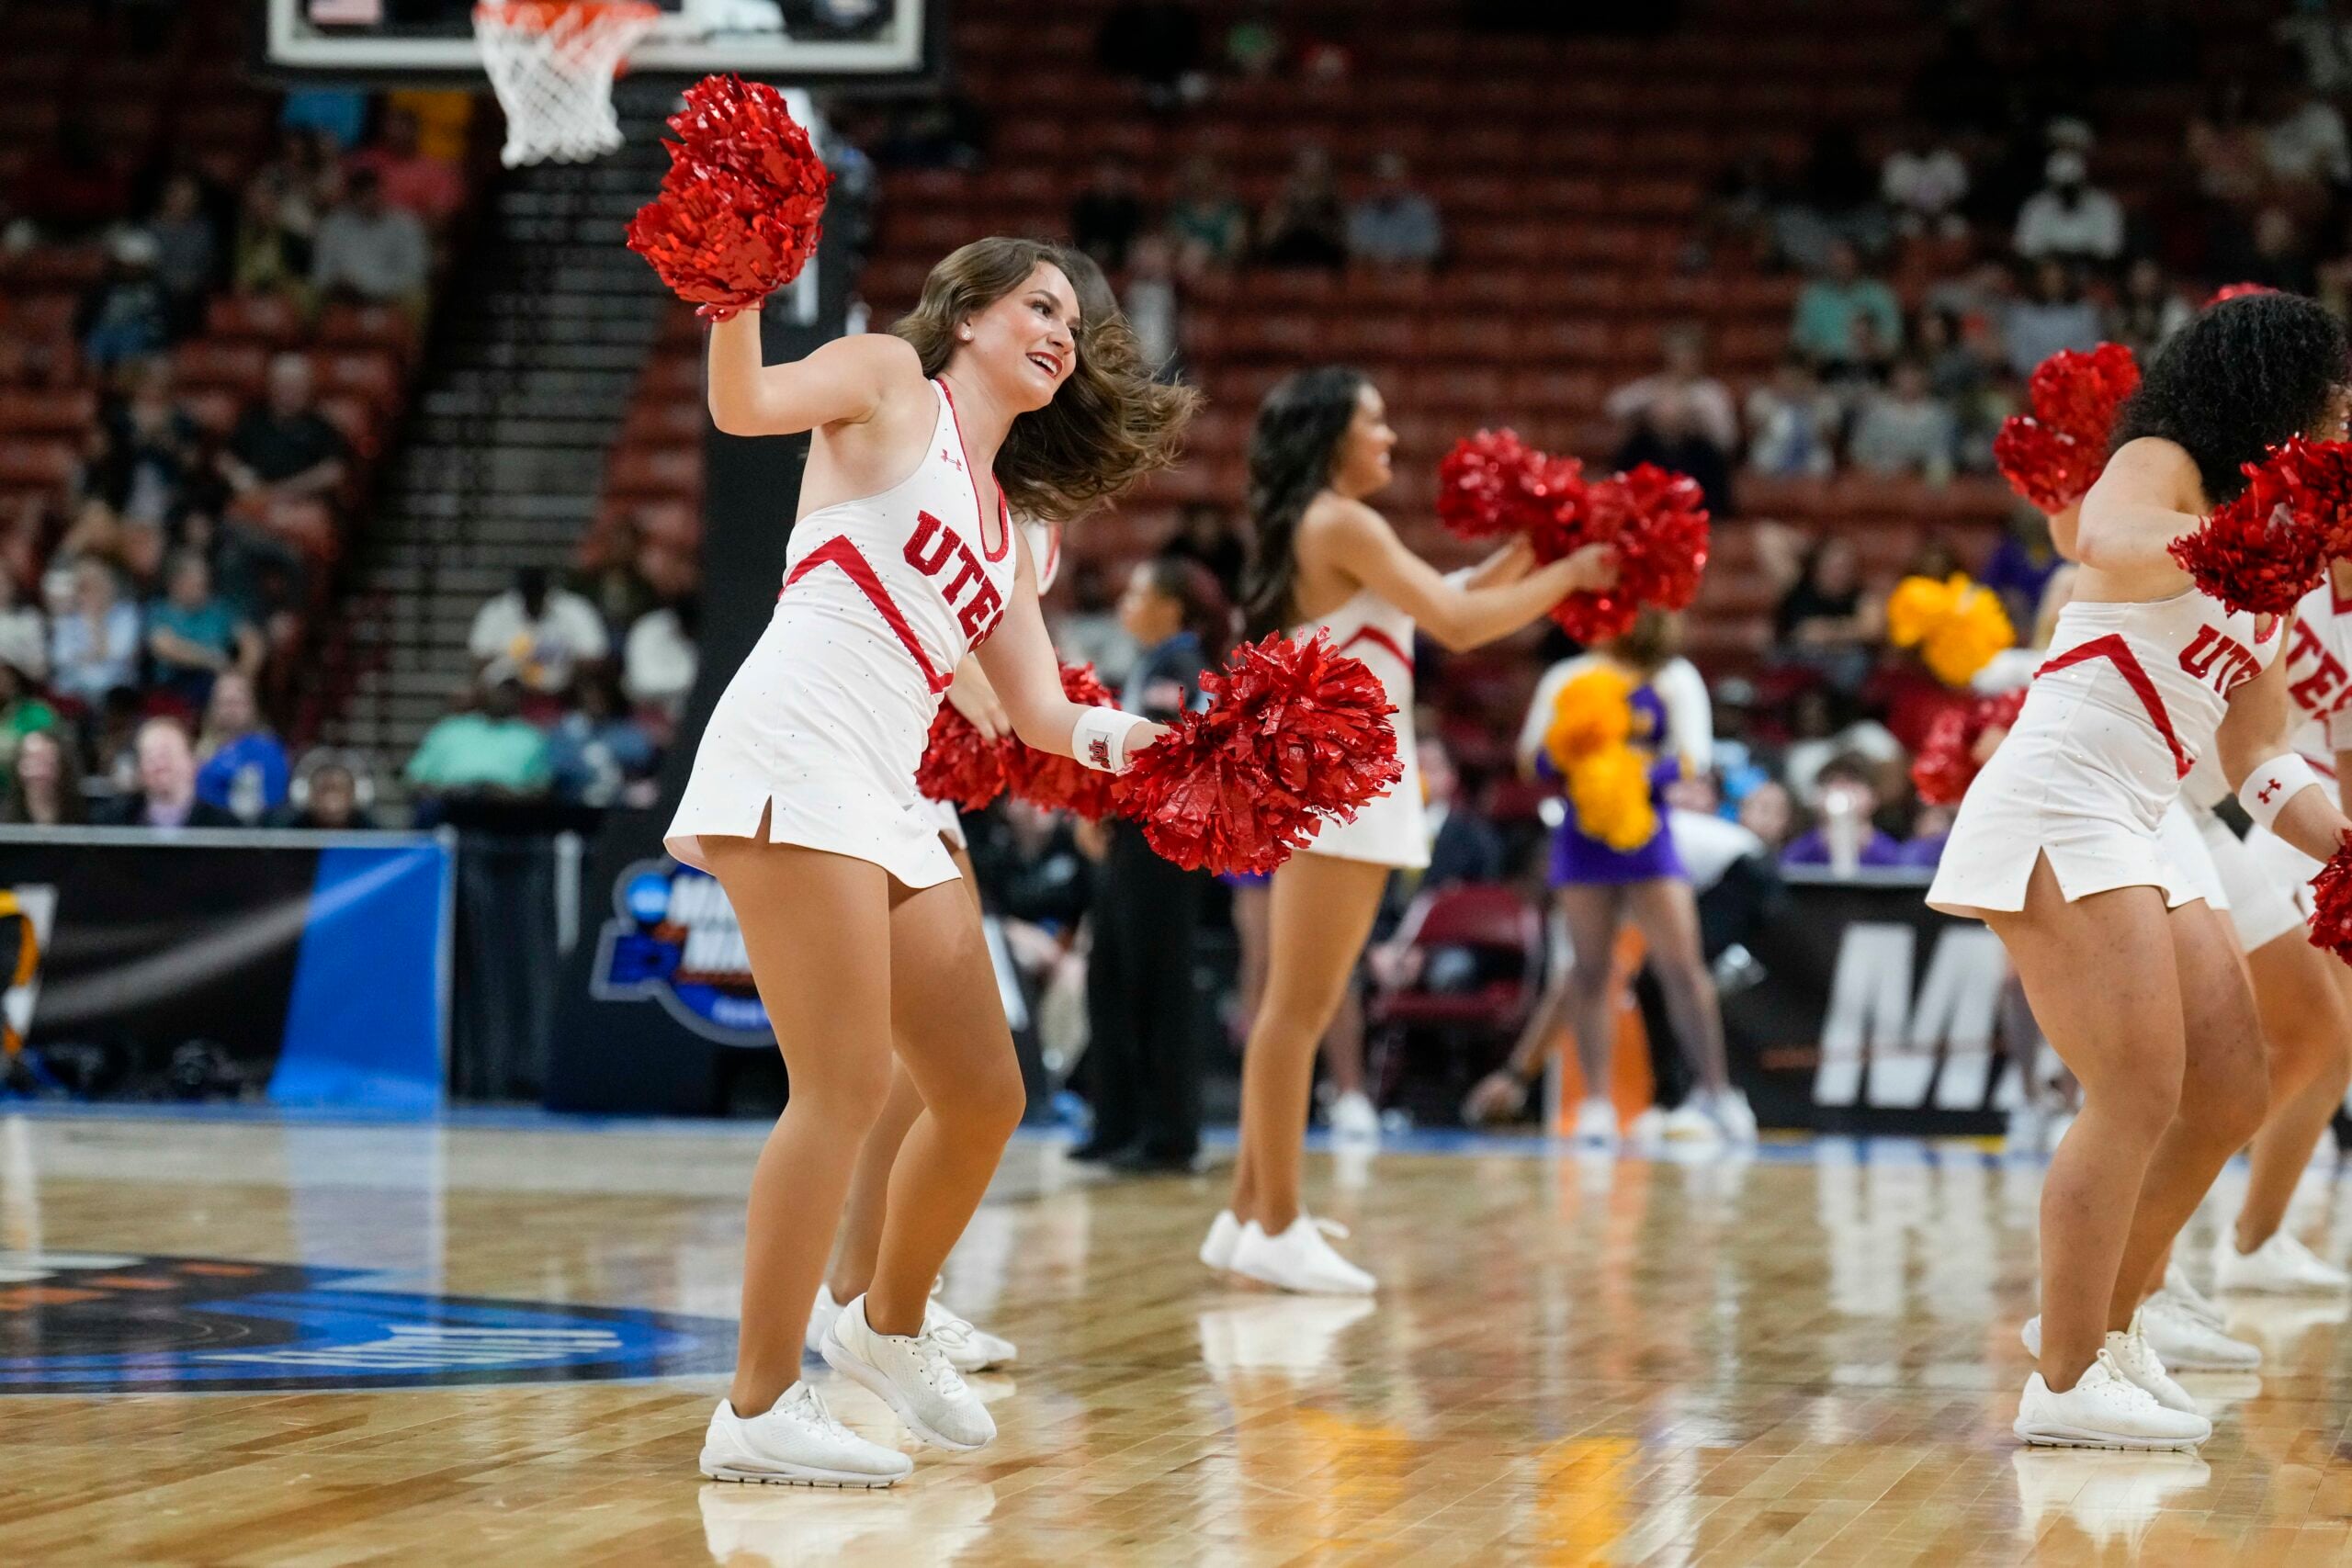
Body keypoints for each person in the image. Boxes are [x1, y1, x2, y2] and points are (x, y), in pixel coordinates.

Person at [673, 236, 1194, 1485]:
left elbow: (1039, 713)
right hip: (795, 750)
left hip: (886, 784)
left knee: (982, 1091)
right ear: (967, 311)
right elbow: (740, 403)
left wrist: (1167, 747)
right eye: (1038, 304)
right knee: (843, 1086)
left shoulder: (1001, 517)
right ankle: (753, 1406)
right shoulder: (884, 379)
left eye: (1073, 319)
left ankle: (884, 1322)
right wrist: (734, 288)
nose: (1063, 331)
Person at [1927, 293, 2352, 1450]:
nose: (2345, 414)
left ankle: (2112, 1331)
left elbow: (2256, 757)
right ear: (2268, 392)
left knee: (2226, 1087)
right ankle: (2060, 1383)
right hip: (2062, 792)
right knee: (2133, 1092)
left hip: (2149, 810)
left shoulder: (2281, 569)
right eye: (2331, 396)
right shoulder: (2156, 466)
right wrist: (2237, 542)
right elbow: (2101, 545)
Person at [1199, 366, 1617, 1296]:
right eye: (1374, 424)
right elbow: (1461, 624)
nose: (1389, 439)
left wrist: (1525, 549)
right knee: (1296, 1010)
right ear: (1329, 439)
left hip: (1341, 780)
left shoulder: (1329, 526)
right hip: (1337, 786)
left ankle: (1242, 1214)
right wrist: (1569, 574)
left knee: (1295, 1005)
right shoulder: (1340, 519)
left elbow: (1436, 596)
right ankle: (1275, 1222)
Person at [1495, 612, 1756, 1147]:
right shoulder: (1567, 677)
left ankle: (1717, 1091)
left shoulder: (1673, 676)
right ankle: (1596, 1103)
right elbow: (1531, 757)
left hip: (1646, 831)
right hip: (1583, 833)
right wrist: (1577, 757)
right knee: (1588, 969)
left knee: (1681, 967)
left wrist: (1632, 772)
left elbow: (1692, 757)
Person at [1074, 558, 1230, 1171]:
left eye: (1139, 591)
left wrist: (1100, 808)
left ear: (1172, 607)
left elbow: (1159, 752)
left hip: (1159, 845)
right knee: (1111, 975)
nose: (1126, 602)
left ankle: (1168, 1132)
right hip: (1138, 842)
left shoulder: (1179, 666)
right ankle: (1116, 1123)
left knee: (1155, 984)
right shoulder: (1154, 663)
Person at [467, 566, 609, 700]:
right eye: (528, 594)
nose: (533, 599)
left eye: (537, 594)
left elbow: (595, 657)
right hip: (513, 694)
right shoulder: (498, 610)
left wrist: (562, 667)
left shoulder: (574, 609)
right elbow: (480, 657)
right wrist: (520, 663)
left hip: (565, 693)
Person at [403, 678, 553, 806]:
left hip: (510, 822)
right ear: (484, 691)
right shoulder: (450, 729)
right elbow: (414, 780)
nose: (503, 695)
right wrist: (446, 793)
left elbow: (542, 788)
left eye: (510, 690)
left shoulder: (531, 736)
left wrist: (509, 795)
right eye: (499, 689)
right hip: (451, 816)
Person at [147, 551, 261, 710]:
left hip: (217, 685)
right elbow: (164, 646)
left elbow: (252, 642)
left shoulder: (220, 609)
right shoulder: (159, 610)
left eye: (203, 580)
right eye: (194, 581)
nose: (202, 586)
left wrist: (241, 678)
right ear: (175, 582)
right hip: (174, 686)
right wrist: (213, 660)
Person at [311, 169, 431, 318]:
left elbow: (415, 273)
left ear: (384, 192)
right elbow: (322, 275)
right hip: (346, 298)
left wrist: (373, 289)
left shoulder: (407, 224)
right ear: (352, 198)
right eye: (364, 195)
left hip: (393, 296)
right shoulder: (333, 225)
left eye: (375, 193)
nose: (372, 199)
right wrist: (340, 285)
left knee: (416, 297)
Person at [96, 717, 240, 829]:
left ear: (192, 762)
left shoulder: (224, 827)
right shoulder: (115, 823)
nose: (159, 764)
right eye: (150, 756)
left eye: (167, 753)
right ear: (139, 769)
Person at [1789, 239, 1902, 374]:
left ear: (1858, 261)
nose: (1841, 266)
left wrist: (1871, 347)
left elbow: (1892, 345)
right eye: (1836, 262)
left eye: (1846, 262)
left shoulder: (1880, 295)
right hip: (1825, 371)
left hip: (1873, 369)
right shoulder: (1812, 296)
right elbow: (1800, 345)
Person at [194, 672, 291, 823]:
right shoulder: (200, 753)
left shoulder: (269, 750)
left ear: (252, 706)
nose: (230, 710)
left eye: (237, 702)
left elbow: (274, 799)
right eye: (224, 703)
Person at [49, 558, 141, 708]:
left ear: (110, 586)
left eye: (97, 585)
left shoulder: (126, 613)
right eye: (85, 587)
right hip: (75, 691)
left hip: (115, 691)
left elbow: (120, 653)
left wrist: (96, 621)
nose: (92, 592)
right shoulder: (68, 618)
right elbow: (60, 658)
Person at [1848, 358, 1959, 480]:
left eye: (1914, 376)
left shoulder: (1940, 415)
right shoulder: (1876, 412)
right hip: (1878, 480)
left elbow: (1942, 456)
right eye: (1904, 376)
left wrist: (1914, 469)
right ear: (1894, 378)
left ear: (1926, 379)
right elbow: (1860, 451)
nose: (1909, 381)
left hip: (1921, 483)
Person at [2013, 151, 2125, 266]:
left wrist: (2070, 255)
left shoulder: (2104, 204)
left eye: (2072, 187)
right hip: (2048, 270)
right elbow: (2026, 249)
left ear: (2083, 182)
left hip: (2092, 270)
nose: (2067, 193)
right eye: (2062, 187)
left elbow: (2110, 250)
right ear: (2052, 184)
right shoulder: (2035, 206)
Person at [1344, 152, 1443, 268]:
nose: (1388, 186)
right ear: (1374, 182)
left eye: (1393, 180)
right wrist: (1380, 258)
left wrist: (1399, 258)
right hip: (1373, 271)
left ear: (1404, 181)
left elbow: (1429, 247)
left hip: (1409, 271)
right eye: (1383, 180)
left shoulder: (1422, 210)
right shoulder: (1363, 211)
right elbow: (1355, 246)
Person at [1257, 146, 1347, 270]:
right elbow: (1266, 240)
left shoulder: (1334, 206)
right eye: (1304, 169)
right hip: (1284, 268)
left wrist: (1317, 222)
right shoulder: (1283, 203)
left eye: (1315, 170)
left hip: (1323, 270)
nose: (1309, 175)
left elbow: (1344, 245)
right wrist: (1287, 213)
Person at [1069, 155, 1148, 273]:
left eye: (1112, 174)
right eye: (1104, 174)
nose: (1108, 178)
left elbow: (1135, 237)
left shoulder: (1131, 206)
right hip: (1089, 254)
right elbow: (1079, 236)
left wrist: (1113, 252)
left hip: (1123, 255)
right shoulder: (1085, 204)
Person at [271, 748, 379, 830]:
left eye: (340, 790)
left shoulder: (375, 840)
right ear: (307, 793)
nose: (332, 799)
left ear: (357, 794)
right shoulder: (288, 838)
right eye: (324, 790)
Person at [0, 727, 86, 827]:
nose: (38, 771)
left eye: (46, 762)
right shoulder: (4, 818)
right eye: (31, 760)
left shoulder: (84, 813)